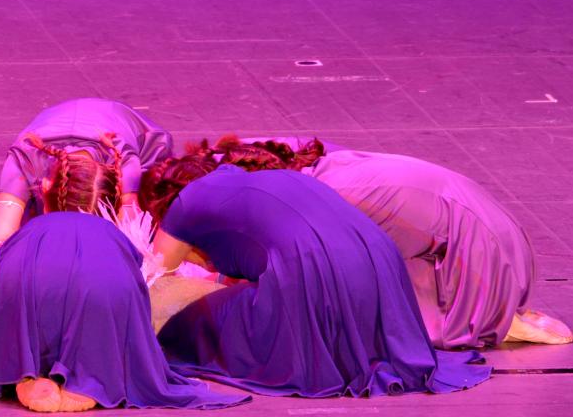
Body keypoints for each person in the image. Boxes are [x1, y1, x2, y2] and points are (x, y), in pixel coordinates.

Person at [139, 159, 491, 398]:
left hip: (315, 272)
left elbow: (155, 276)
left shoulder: (185, 204)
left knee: (189, 328)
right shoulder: (270, 180)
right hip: (382, 263)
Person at [0, 149, 248, 412]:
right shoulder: (113, 237)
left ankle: (26, 370)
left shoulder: (26, 234)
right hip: (97, 304)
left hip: (29, 300)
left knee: (33, 299)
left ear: (47, 193)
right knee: (100, 304)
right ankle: (90, 376)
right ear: (107, 201)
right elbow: (131, 298)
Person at [219, 134, 573, 347]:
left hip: (483, 265)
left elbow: (308, 273)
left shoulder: (324, 200)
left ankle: (485, 314)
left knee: (337, 319)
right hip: (497, 237)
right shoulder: (324, 166)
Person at [0, 98, 173, 269]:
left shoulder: (124, 164)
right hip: (57, 121)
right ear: (45, 186)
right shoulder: (24, 159)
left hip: (134, 132)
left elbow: (132, 247)